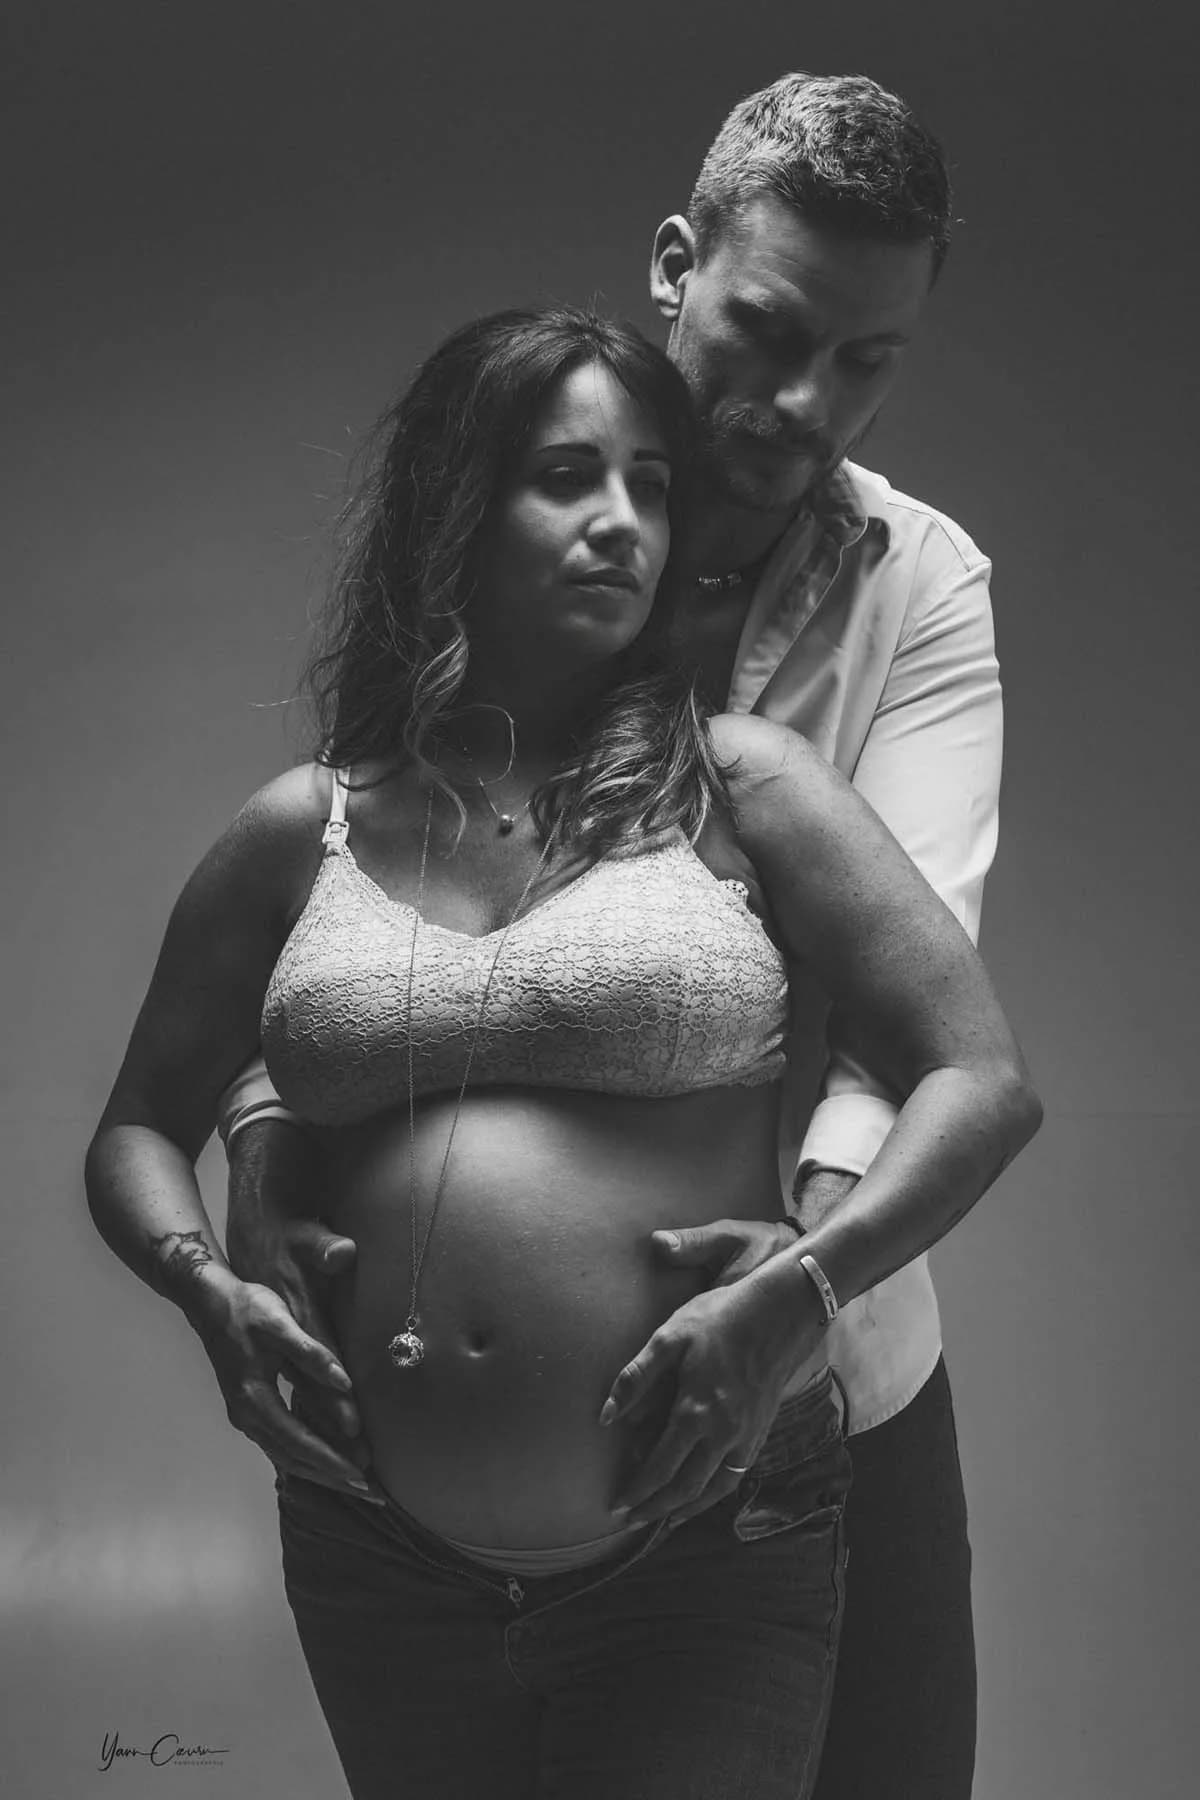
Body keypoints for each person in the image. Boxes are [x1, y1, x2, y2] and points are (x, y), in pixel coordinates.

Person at [85, 306, 1039, 1800]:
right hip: (375, 1558)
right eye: (569, 478)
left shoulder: (744, 788)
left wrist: (802, 1280)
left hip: (704, 1543)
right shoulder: (306, 826)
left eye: (651, 484)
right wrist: (208, 1290)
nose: (625, 525)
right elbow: (140, 1122)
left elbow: (979, 1080)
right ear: (456, 508)